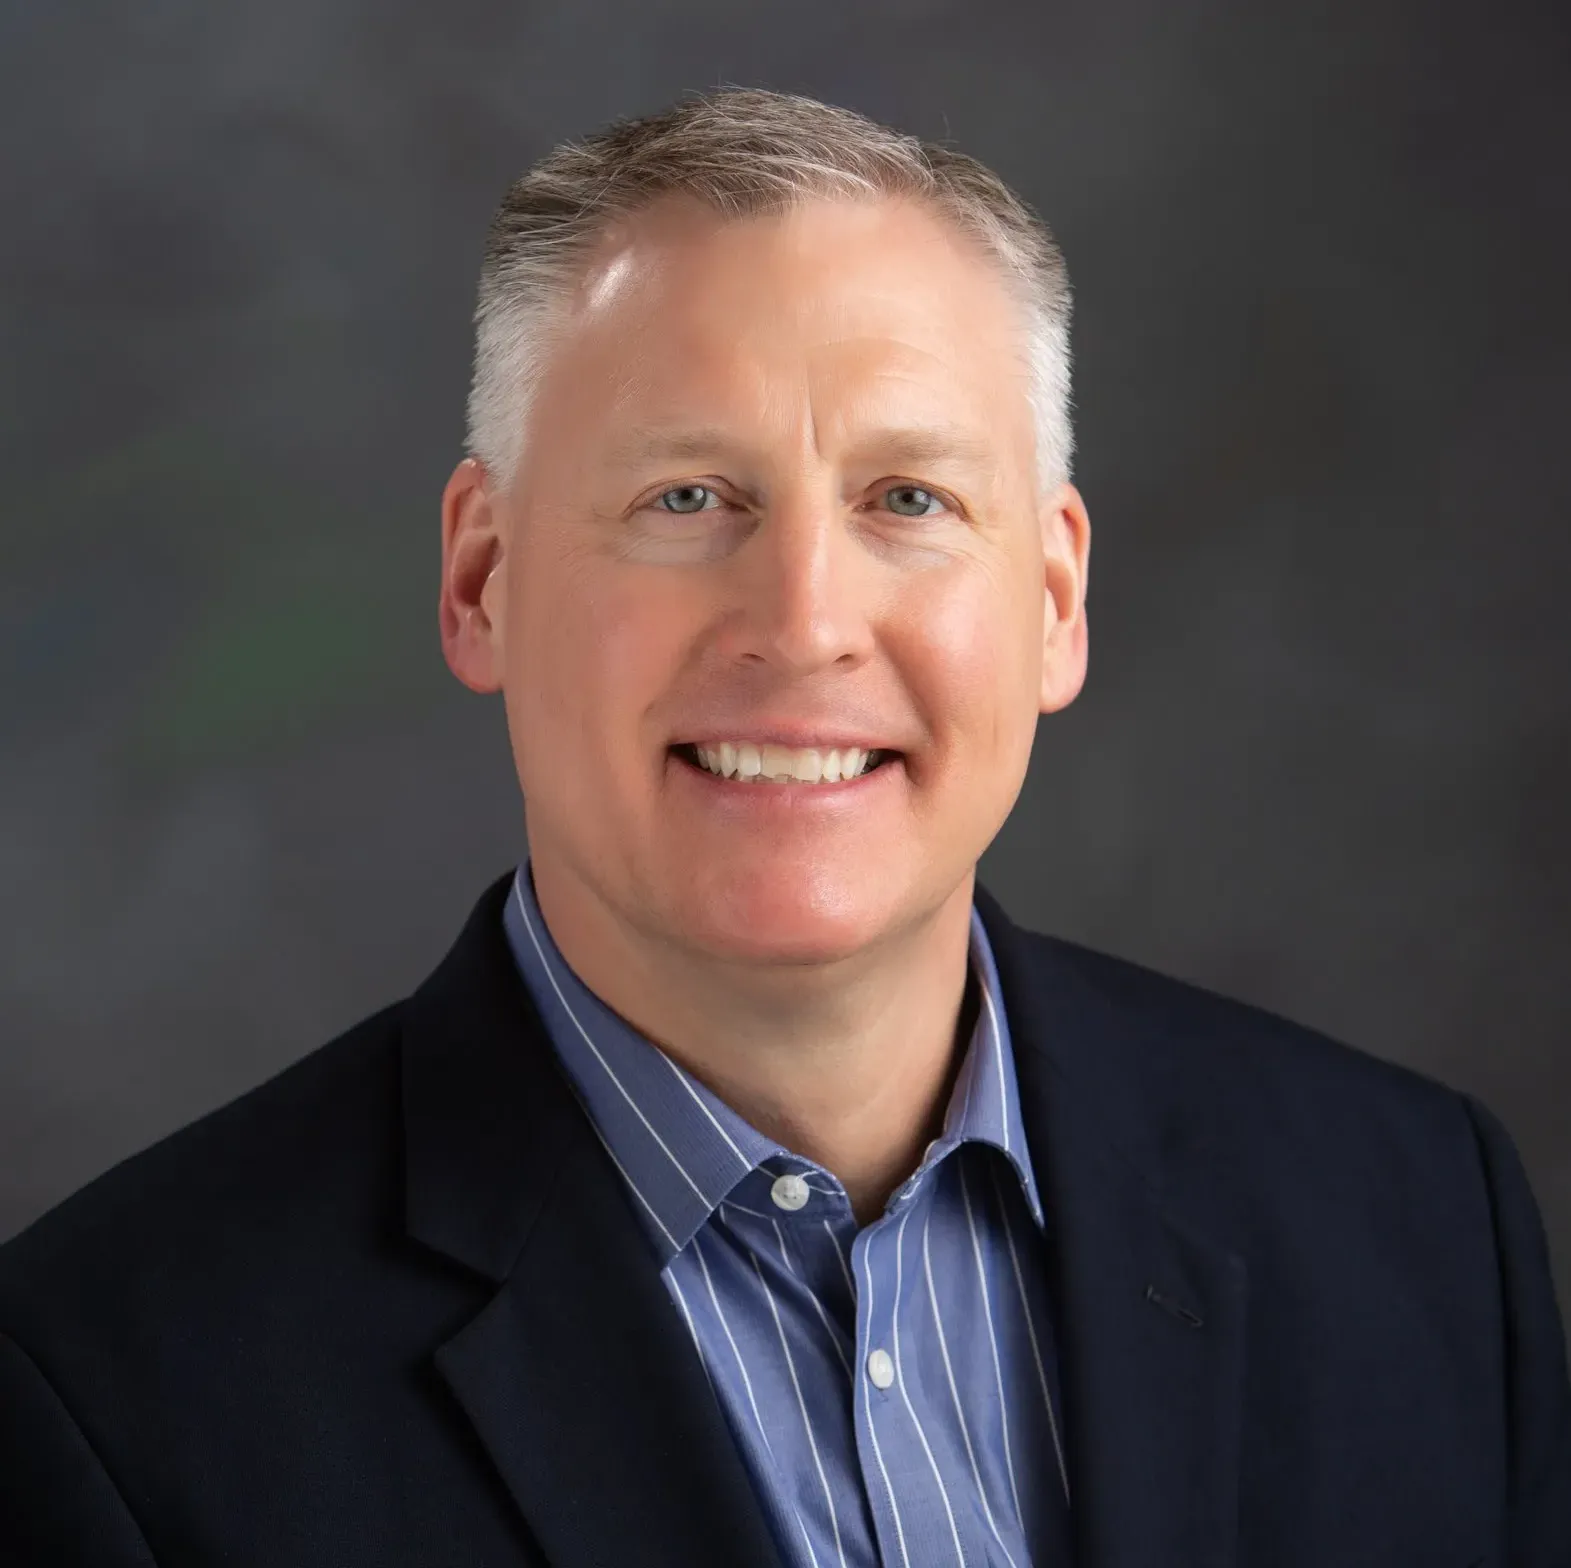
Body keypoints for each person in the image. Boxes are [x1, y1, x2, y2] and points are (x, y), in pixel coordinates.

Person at [2, 85, 1567, 1568]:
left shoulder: (1415, 1222)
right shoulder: (110, 1393)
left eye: (908, 500)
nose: (805, 622)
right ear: (482, 580)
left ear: (1052, 601)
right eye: (687, 498)